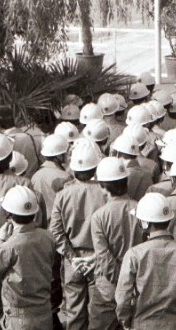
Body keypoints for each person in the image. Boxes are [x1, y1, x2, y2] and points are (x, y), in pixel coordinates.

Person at [115, 193, 176, 329]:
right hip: (175, 324)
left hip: (141, 325)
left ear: (144, 223)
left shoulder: (134, 254)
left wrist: (125, 321)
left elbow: (123, 298)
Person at [49, 138, 105, 330]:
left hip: (72, 260)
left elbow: (56, 231)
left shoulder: (63, 195)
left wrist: (73, 258)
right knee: (99, 315)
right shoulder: (105, 193)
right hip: (99, 259)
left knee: (74, 314)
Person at [0, 186, 56, 329]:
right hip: (44, 313)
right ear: (34, 213)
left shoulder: (9, 246)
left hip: (19, 318)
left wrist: (0, 240)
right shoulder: (48, 237)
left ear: (8, 215)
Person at [89, 157, 144, 330]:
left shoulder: (99, 216)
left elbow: (103, 256)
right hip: (137, 280)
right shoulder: (140, 209)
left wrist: (119, 281)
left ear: (103, 186)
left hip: (109, 285)